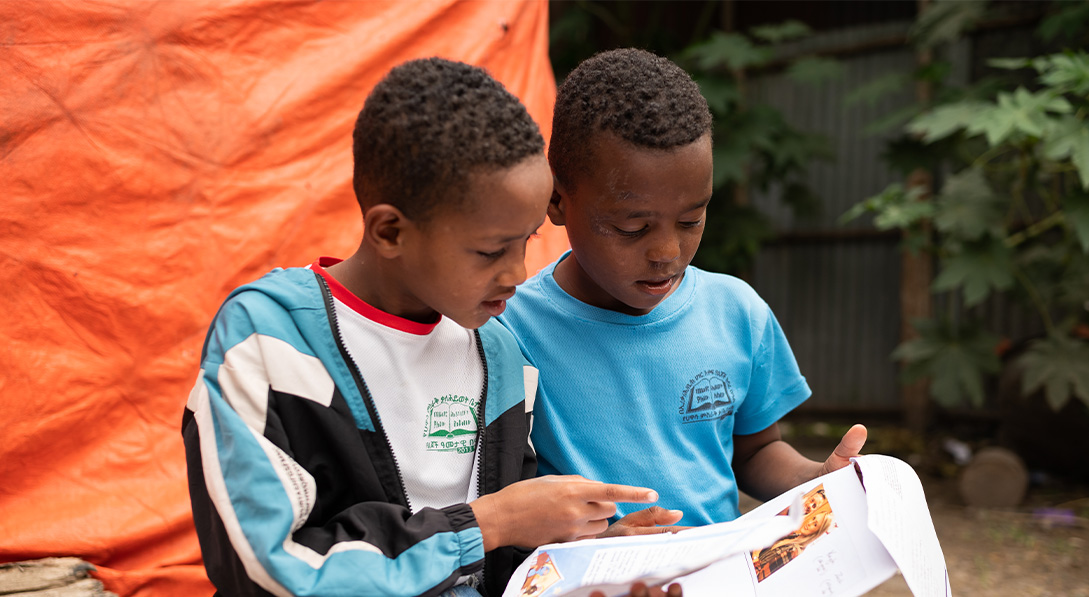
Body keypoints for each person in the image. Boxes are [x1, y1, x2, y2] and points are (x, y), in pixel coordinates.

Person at [182, 57, 661, 597]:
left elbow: (503, 567)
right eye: (488, 251)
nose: (517, 274)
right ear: (389, 231)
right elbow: (261, 567)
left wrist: (589, 561)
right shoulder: (268, 342)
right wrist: (488, 522)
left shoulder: (501, 355)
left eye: (525, 243)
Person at [498, 48, 868, 529]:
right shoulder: (510, 331)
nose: (667, 252)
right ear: (556, 201)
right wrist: (601, 542)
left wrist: (820, 478)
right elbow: (506, 500)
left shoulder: (736, 312)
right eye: (633, 227)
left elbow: (754, 451)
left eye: (692, 219)